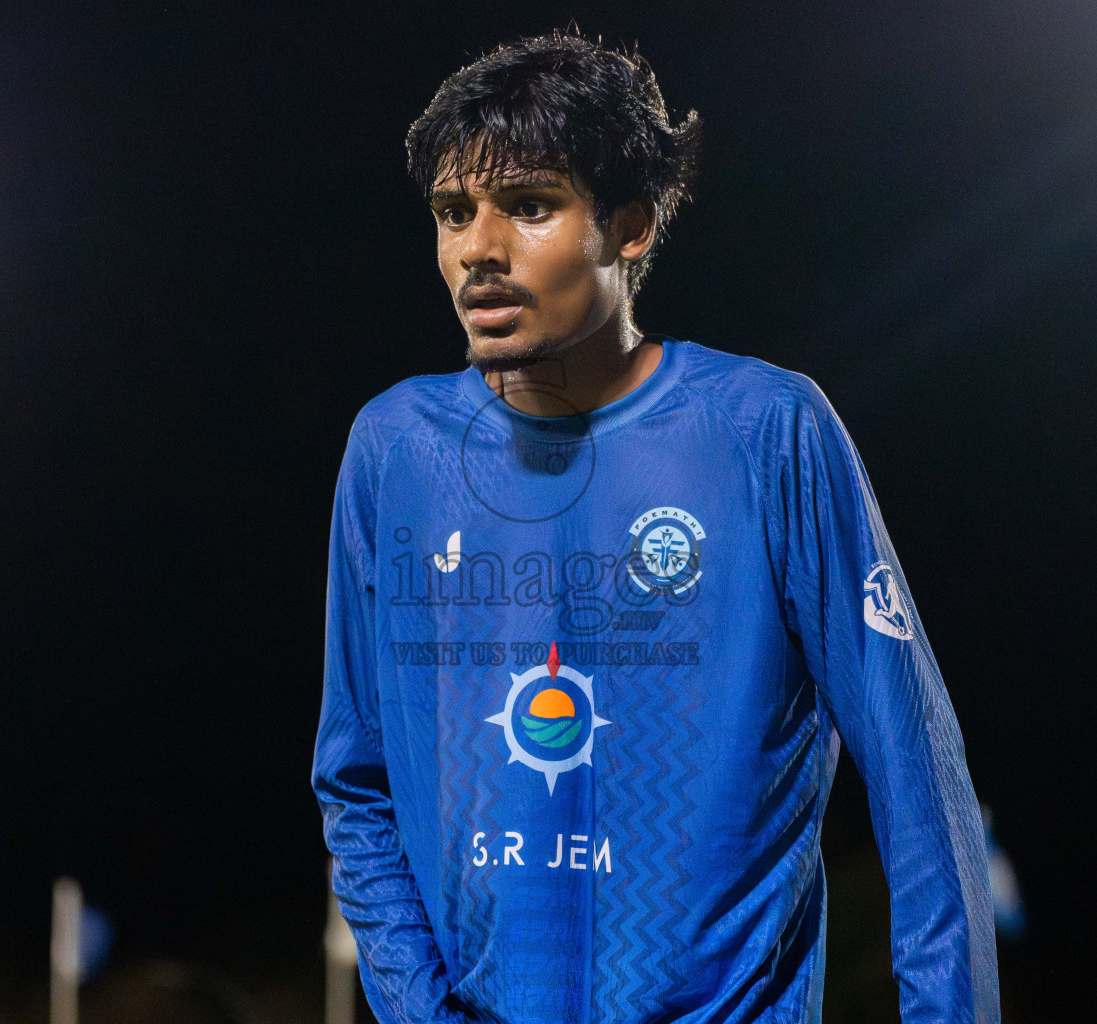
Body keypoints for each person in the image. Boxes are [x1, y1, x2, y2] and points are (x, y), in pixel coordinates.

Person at [312, 29, 999, 1024]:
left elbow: (917, 779)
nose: (478, 250)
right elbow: (356, 781)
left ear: (630, 225)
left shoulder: (767, 432)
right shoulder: (394, 449)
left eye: (530, 206)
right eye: (454, 212)